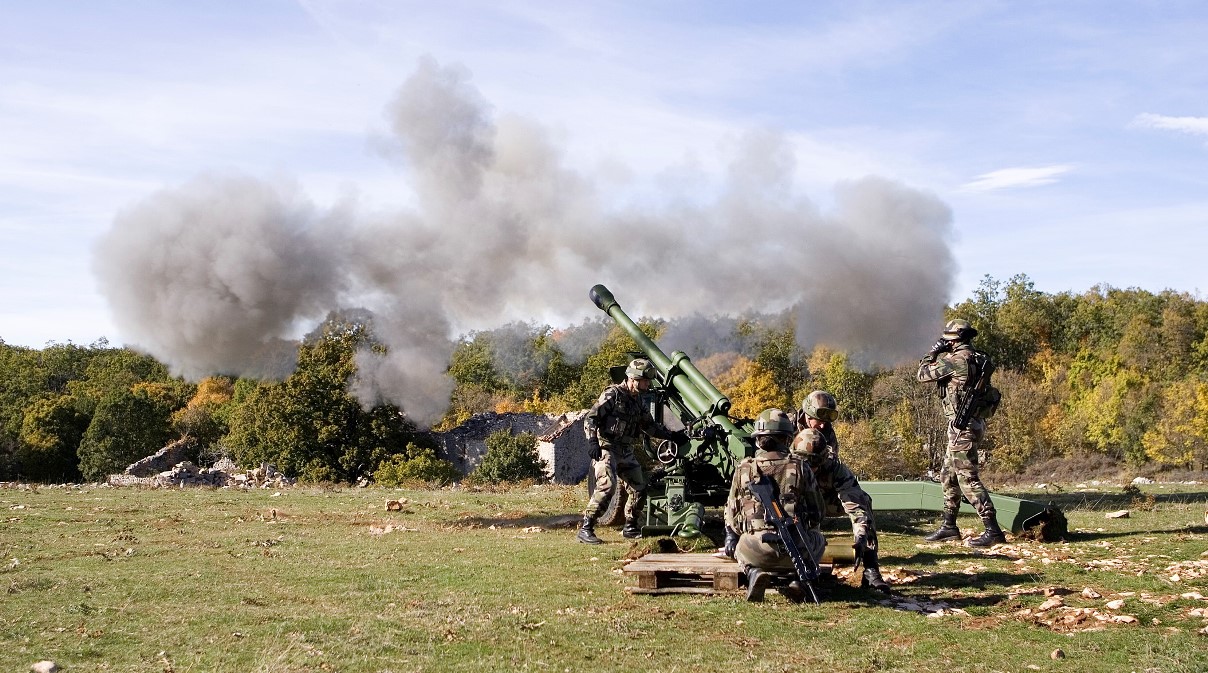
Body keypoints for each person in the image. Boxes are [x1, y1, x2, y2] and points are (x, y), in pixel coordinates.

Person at [916, 319, 1006, 547]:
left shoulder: (955, 361)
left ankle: (993, 530)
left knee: (967, 478)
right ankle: (949, 526)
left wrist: (932, 353)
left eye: (947, 339)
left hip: (962, 427)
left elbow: (922, 374)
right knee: (948, 475)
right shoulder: (978, 358)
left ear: (954, 340)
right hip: (971, 422)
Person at [578, 358, 686, 545]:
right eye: (644, 381)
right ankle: (586, 528)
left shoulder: (638, 401)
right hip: (606, 447)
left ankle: (630, 526)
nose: (647, 384)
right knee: (607, 486)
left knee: (639, 488)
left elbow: (650, 426)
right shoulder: (613, 394)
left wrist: (672, 436)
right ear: (632, 379)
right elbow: (591, 418)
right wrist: (593, 441)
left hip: (625, 450)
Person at [721, 408, 826, 602]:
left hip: (756, 550)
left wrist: (734, 536)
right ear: (787, 439)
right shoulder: (801, 466)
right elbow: (817, 513)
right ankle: (797, 579)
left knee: (741, 542)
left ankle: (753, 572)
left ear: (758, 439)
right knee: (819, 539)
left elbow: (732, 517)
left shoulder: (744, 468)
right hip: (798, 549)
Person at [791, 428, 890, 593]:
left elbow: (855, 503)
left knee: (864, 500)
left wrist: (861, 537)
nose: (810, 469)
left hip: (826, 502)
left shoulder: (835, 468)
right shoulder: (788, 465)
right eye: (806, 463)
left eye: (815, 464)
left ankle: (871, 568)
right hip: (799, 504)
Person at [792, 390, 840, 461]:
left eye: (825, 422)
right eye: (819, 421)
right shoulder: (787, 425)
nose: (822, 426)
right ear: (809, 416)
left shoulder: (828, 433)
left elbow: (832, 461)